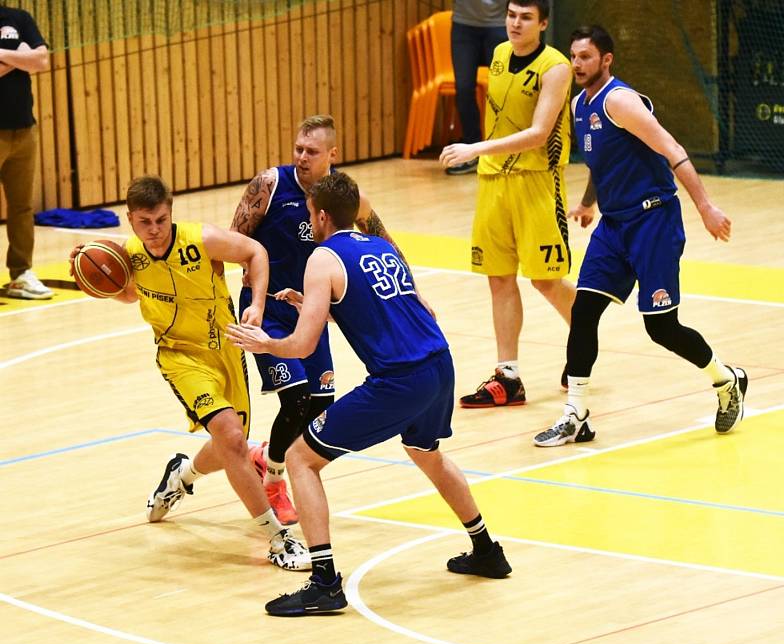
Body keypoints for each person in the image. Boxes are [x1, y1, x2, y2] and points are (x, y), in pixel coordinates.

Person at [226, 172, 511, 616]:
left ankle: (324, 583)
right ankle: (487, 550)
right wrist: (313, 305)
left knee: (301, 458)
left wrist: (265, 344)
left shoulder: (322, 257)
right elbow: (378, 308)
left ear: (320, 214)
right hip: (439, 364)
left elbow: (301, 346)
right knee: (427, 452)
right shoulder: (378, 245)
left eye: (309, 213)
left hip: (399, 379)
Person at [69, 175, 310, 571]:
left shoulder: (202, 239)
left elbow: (256, 252)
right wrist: (89, 269)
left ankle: (181, 475)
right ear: (130, 220)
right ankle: (278, 539)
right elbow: (127, 292)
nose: (155, 230)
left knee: (230, 443)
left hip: (226, 349)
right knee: (233, 439)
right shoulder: (129, 254)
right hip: (180, 357)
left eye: (161, 220)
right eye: (145, 222)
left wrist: (259, 304)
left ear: (171, 213)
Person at [534, 26, 748, 447]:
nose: (577, 64)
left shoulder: (621, 101)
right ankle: (575, 413)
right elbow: (602, 160)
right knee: (584, 310)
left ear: (606, 60)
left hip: (653, 222)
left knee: (662, 328)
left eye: (586, 57)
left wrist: (705, 207)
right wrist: (588, 202)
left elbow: (673, 150)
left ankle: (726, 381)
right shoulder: (578, 105)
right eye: (573, 57)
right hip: (614, 225)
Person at [231, 114, 418, 526]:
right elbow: (237, 240)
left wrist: (413, 289)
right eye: (297, 148)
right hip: (266, 308)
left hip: (310, 310)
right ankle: (275, 481)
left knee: (320, 404)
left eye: (311, 151)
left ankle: (266, 457)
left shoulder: (345, 197)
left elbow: (385, 243)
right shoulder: (271, 185)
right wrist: (252, 293)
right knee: (296, 398)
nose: (301, 157)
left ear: (332, 155)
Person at [440, 0, 575, 408]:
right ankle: (508, 376)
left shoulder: (556, 67)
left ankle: (584, 335)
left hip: (537, 183)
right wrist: (485, 157)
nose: (515, 23)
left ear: (543, 23)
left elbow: (538, 133)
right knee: (498, 277)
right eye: (512, 15)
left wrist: (474, 148)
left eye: (525, 18)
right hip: (494, 181)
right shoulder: (499, 55)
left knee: (545, 280)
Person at [0, 5, 52, 299]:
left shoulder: (19, 18)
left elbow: (42, 59)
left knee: (21, 207)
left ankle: (20, 274)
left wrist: (1, 54)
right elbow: (32, 59)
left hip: (24, 129)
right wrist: (20, 56)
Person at [445, 0, 507, 175]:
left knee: (504, 90)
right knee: (463, 88)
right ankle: (471, 151)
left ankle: (504, 151)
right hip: (464, 25)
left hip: (499, 23)